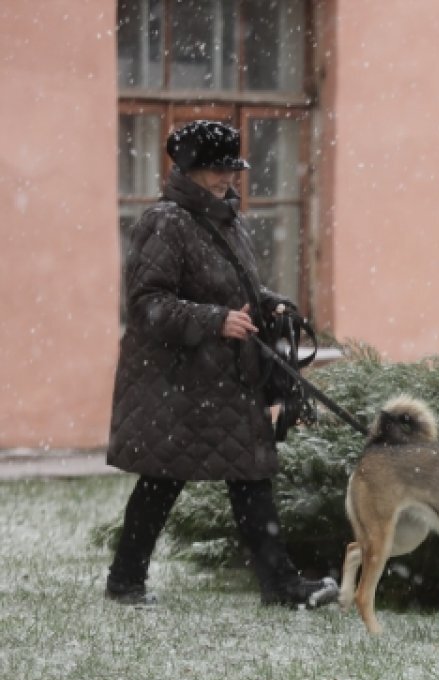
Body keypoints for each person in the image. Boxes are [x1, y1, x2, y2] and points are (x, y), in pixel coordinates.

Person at [105, 120, 337, 609]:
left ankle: (280, 585)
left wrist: (269, 302)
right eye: (215, 171)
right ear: (186, 170)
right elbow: (148, 303)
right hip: (176, 381)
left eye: (230, 170)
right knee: (162, 479)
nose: (226, 180)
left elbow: (233, 291)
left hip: (227, 378)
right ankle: (125, 582)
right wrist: (215, 321)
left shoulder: (227, 220)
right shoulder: (165, 221)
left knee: (251, 475)